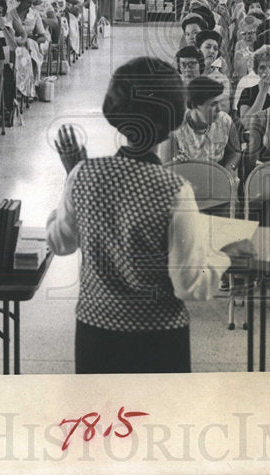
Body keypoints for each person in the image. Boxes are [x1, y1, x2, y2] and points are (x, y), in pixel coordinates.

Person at [46, 57, 237, 374]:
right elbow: (189, 286)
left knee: (104, 419)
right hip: (158, 338)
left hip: (96, 333)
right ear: (173, 118)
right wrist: (221, 256)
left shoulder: (83, 175)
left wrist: (73, 176)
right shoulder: (174, 189)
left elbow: (60, 243)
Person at [159, 75, 241, 170]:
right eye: (213, 104)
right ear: (195, 105)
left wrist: (229, 168)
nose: (219, 109)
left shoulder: (225, 121)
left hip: (217, 177)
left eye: (219, 103)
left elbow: (235, 152)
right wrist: (178, 165)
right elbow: (166, 167)